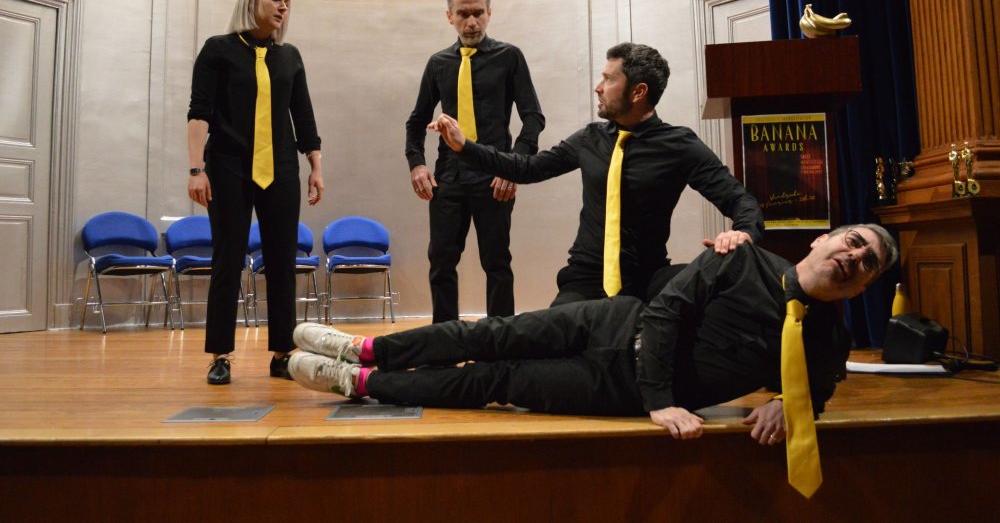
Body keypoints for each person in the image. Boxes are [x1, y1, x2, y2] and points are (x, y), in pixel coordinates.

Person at [287, 224, 897, 445]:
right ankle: (364, 347)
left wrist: (792, 405)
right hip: (611, 323)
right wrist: (662, 400)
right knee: (489, 335)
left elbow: (819, 389)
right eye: (852, 241)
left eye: (867, 262)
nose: (853, 257)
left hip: (614, 389)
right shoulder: (740, 258)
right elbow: (666, 313)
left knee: (496, 383)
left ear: (863, 286)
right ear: (823, 239)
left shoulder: (828, 340)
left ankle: (360, 383)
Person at [428, 42, 764, 306]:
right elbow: (526, 168)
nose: (598, 87)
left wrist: (742, 233)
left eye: (609, 79)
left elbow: (739, 199)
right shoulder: (590, 138)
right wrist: (464, 146)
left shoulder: (680, 145)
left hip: (645, 278)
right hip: (584, 278)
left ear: (638, 92)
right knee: (552, 345)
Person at [187, 0, 324, 385]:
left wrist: (315, 165)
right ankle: (220, 355)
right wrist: (196, 169)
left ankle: (282, 353)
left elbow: (303, 115)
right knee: (227, 257)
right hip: (228, 165)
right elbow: (199, 112)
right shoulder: (218, 50)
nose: (283, 7)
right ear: (251, 0)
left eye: (288, 2)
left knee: (282, 259)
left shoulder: (289, 56)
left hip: (280, 167)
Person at [404, 0, 545, 323]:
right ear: (449, 16)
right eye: (463, 14)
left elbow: (533, 117)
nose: (471, 22)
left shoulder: (509, 57)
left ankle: (500, 341)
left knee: (497, 263)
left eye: (478, 13)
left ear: (489, 13)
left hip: (495, 178)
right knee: (441, 262)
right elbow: (416, 121)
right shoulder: (438, 63)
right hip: (448, 177)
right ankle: (445, 339)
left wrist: (513, 167)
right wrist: (417, 165)